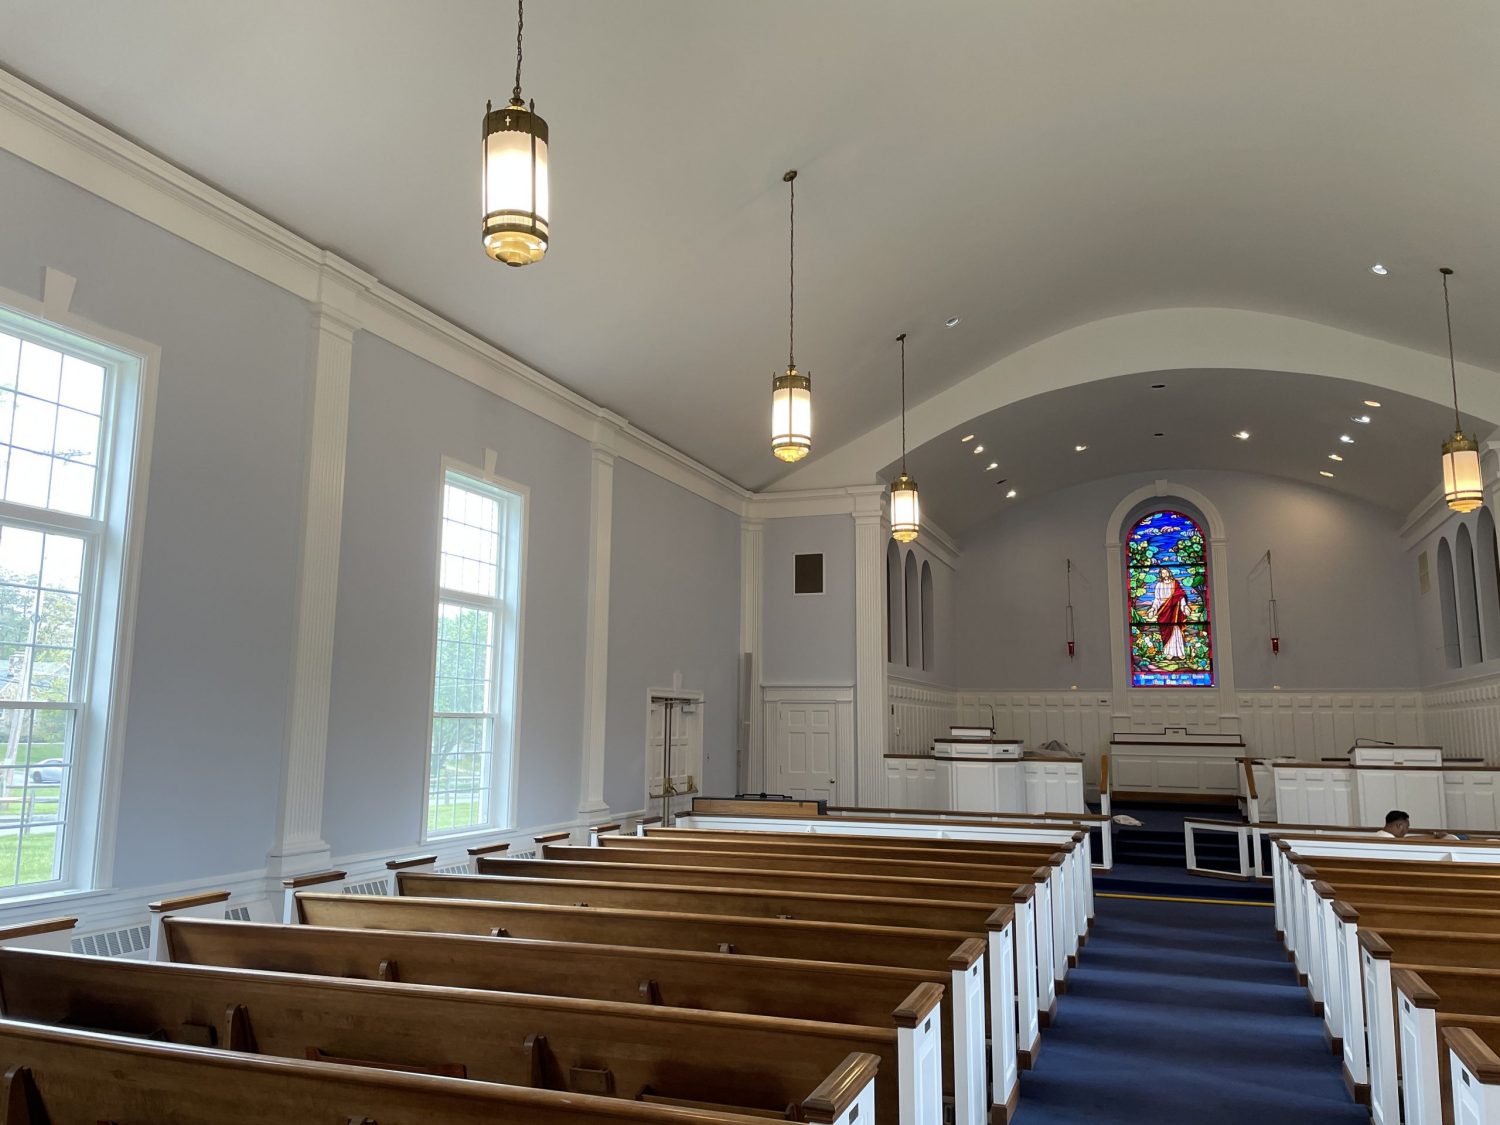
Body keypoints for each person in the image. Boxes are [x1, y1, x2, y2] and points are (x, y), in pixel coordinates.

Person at [1148, 567, 1190, 661]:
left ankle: (1180, 652)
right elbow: (1157, 599)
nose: (1165, 575)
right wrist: (1153, 609)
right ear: (1161, 575)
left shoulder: (1175, 583)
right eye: (1163, 573)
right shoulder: (1159, 585)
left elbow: (1180, 596)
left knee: (1176, 630)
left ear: (1169, 573)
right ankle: (1169, 652)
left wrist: (1184, 607)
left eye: (1166, 572)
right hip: (1164, 611)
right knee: (1166, 631)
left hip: (1175, 610)